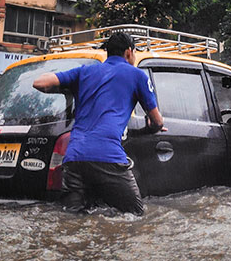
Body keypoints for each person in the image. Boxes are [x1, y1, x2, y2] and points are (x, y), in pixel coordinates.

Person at [32, 32, 164, 215]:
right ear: (128, 52)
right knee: (136, 216)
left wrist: (67, 88)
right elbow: (157, 120)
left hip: (74, 158)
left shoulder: (84, 71)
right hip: (108, 157)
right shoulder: (137, 76)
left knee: (72, 219)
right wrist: (152, 127)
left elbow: (39, 83)